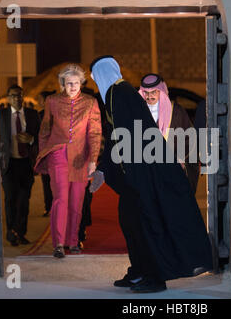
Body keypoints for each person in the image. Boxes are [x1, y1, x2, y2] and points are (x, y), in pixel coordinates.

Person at [89, 55, 213, 293]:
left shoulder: (119, 93)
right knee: (130, 220)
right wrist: (105, 170)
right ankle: (138, 271)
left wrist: (123, 174)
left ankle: (155, 277)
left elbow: (128, 138)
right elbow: (119, 137)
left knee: (147, 223)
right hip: (138, 172)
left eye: (95, 75)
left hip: (144, 173)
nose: (94, 80)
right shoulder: (117, 95)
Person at [34, 64, 102, 258]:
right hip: (58, 154)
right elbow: (45, 130)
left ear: (81, 83)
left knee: (76, 202)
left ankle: (73, 241)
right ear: (62, 84)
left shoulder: (90, 103)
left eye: (76, 83)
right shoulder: (52, 101)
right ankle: (58, 243)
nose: (72, 87)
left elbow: (95, 133)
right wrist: (44, 154)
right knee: (60, 199)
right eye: (68, 83)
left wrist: (93, 160)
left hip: (81, 157)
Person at [138, 73, 200, 193]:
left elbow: (189, 140)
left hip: (173, 173)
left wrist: (180, 159)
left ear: (161, 92)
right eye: (146, 92)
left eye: (154, 92)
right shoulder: (139, 112)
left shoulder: (176, 112)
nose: (150, 96)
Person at [0, 84, 40, 246]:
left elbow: (40, 138)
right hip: (9, 165)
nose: (17, 98)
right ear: (8, 98)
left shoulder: (32, 114)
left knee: (24, 200)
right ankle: (11, 231)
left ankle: (21, 232)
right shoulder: (1, 115)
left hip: (25, 164)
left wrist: (30, 140)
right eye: (13, 95)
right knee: (10, 199)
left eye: (20, 95)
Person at [36, 91, 56, 218]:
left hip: (56, 154)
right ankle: (48, 207)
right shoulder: (38, 115)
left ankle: (55, 206)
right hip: (45, 155)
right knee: (46, 182)